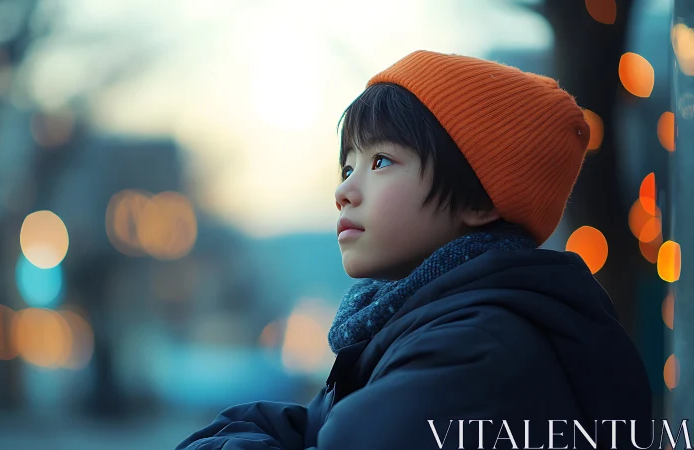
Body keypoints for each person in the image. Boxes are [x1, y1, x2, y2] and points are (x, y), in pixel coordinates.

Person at [175, 50, 653, 450]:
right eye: (347, 166)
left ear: (480, 200)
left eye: (380, 161)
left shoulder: (477, 349)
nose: (344, 190)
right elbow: (312, 427)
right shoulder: (419, 326)